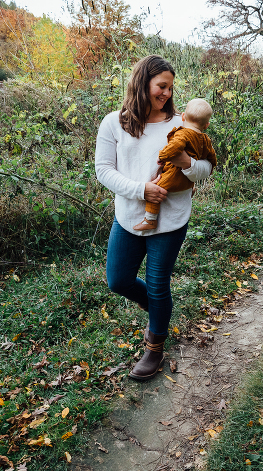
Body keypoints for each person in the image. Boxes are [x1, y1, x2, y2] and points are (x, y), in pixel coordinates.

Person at [95, 55, 213, 381]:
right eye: (162, 86)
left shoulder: (182, 125)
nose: (167, 93)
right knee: (118, 280)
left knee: (159, 285)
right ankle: (160, 312)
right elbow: (103, 170)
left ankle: (154, 347)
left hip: (171, 219)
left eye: (170, 87)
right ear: (143, 82)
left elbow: (205, 169)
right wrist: (140, 190)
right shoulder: (113, 123)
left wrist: (187, 162)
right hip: (129, 216)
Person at [133, 98, 217, 231]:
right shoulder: (206, 139)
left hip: (174, 174)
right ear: (206, 125)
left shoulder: (183, 134)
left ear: (183, 116)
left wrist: (162, 156)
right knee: (183, 186)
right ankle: (190, 190)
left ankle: (150, 219)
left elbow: (174, 147)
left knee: (156, 190)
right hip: (187, 180)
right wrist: (211, 166)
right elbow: (212, 157)